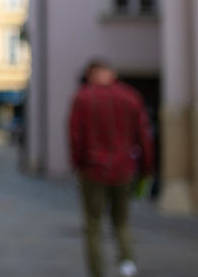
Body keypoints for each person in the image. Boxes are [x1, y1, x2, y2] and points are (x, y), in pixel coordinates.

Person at [69, 59, 154, 277]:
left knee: (93, 226)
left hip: (93, 170)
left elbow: (75, 135)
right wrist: (146, 168)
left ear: (92, 74)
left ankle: (97, 272)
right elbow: (144, 136)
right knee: (122, 221)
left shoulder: (83, 97)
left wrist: (78, 164)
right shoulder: (131, 97)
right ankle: (128, 266)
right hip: (124, 170)